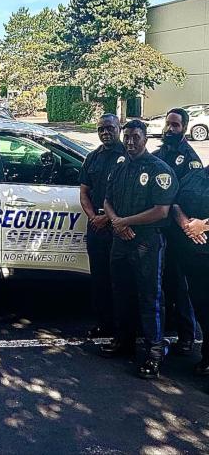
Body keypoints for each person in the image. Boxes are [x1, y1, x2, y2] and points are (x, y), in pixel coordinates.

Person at [102, 119, 178, 379]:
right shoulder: (121, 165)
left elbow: (161, 211)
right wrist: (116, 222)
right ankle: (123, 341)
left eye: (135, 137)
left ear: (145, 139)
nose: (130, 142)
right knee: (121, 293)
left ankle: (154, 354)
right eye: (128, 137)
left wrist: (126, 222)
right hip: (121, 239)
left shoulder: (159, 170)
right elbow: (107, 199)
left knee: (150, 299)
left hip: (147, 242)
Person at [153, 108, 202, 355]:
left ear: (184, 127)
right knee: (163, 283)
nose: (169, 129)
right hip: (157, 230)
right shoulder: (161, 152)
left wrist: (184, 224)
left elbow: (185, 198)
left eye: (175, 125)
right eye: (168, 124)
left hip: (178, 232)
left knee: (180, 285)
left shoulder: (190, 159)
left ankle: (187, 335)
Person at [80, 114, 126, 338]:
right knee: (99, 279)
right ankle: (103, 324)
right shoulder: (92, 158)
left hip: (118, 227)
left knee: (120, 279)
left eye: (109, 128)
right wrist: (92, 217)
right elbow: (84, 192)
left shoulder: (128, 155)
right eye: (101, 129)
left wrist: (107, 218)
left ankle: (122, 327)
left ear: (119, 128)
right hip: (96, 227)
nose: (105, 133)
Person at [173, 168, 209, 375]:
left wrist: (203, 226)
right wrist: (186, 224)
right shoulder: (195, 175)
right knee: (202, 308)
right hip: (193, 257)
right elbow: (175, 203)